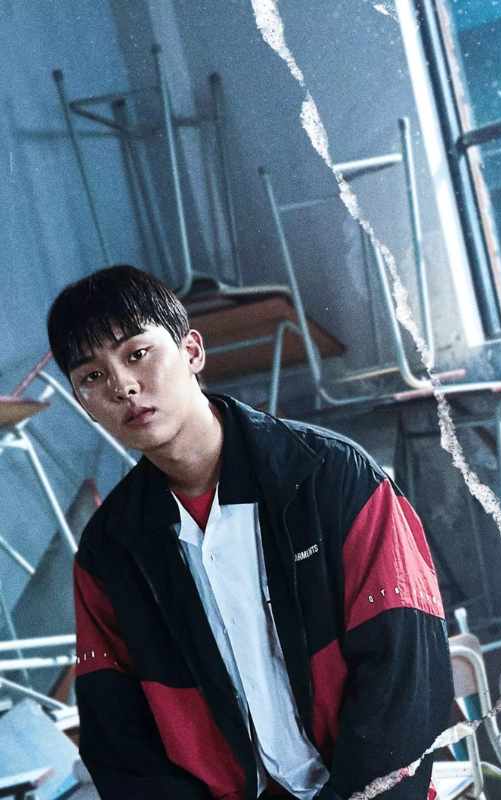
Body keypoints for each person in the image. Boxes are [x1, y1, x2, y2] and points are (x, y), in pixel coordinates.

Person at [49, 265, 451, 800]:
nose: (123, 385)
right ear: (83, 402)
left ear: (192, 351)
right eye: (92, 377)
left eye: (137, 354)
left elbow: (404, 679)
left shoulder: (334, 478)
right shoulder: (108, 552)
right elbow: (119, 741)